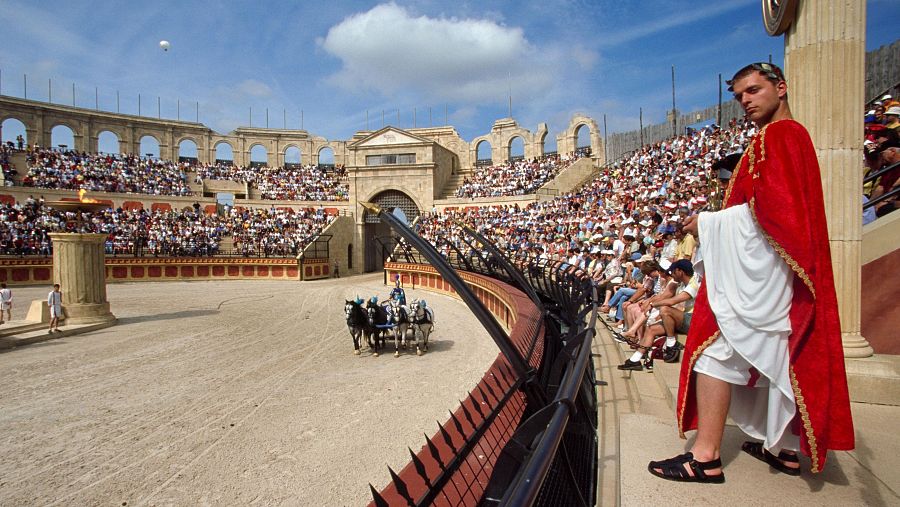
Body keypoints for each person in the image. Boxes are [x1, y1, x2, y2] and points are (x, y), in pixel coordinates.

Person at [648, 62, 854, 483]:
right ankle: (783, 450)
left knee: (713, 356)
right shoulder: (782, 138)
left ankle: (704, 458)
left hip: (759, 279)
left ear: (781, 88)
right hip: (763, 272)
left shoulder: (781, 136)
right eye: (739, 95)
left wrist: (707, 223)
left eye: (753, 91)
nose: (745, 101)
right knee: (773, 357)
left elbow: (776, 215)